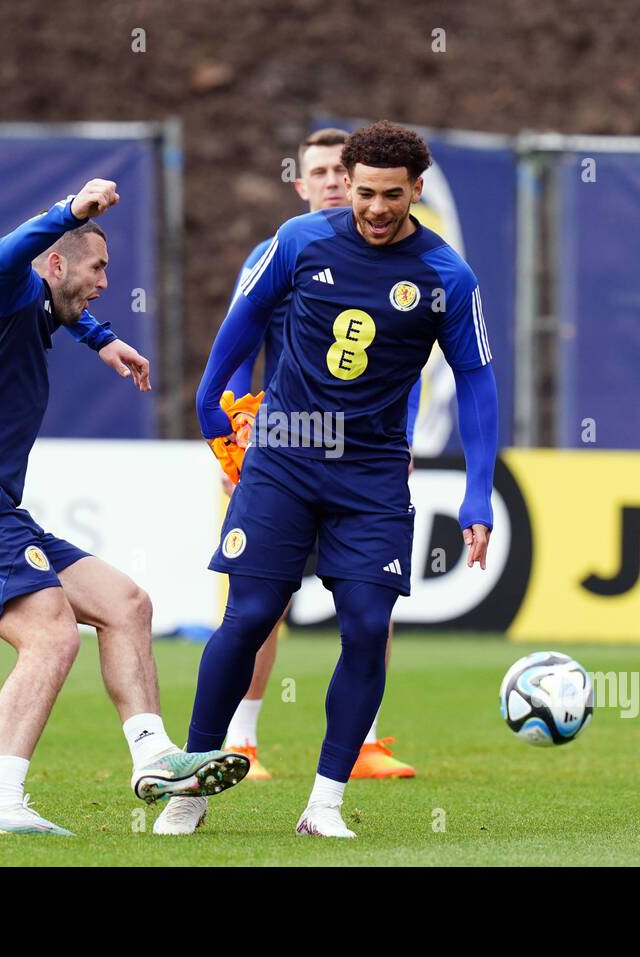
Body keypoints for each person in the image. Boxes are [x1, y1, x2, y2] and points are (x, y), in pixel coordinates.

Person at [162, 121, 499, 837]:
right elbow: (244, 322)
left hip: (373, 473)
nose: (377, 208)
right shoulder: (298, 241)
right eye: (366, 192)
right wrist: (207, 402)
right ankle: (190, 783)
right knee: (249, 615)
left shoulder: (446, 275)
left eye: (393, 196)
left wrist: (476, 490)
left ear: (415, 191)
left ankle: (324, 803)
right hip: (281, 459)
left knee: (368, 625)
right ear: (347, 182)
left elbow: (475, 380)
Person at [0, 182, 249, 835]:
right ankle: (0, 799)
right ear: (55, 264)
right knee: (52, 632)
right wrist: (70, 212)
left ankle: (154, 755)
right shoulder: (4, 288)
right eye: (97, 268)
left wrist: (100, 339)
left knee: (126, 604)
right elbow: (8, 256)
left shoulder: (40, 307)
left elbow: (66, 307)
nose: (105, 282)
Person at [220, 128, 418, 781]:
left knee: (371, 601)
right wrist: (227, 433)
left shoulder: (396, 260)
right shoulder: (287, 247)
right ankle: (241, 742)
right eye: (321, 172)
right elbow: (239, 344)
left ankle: (360, 745)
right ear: (301, 184)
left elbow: (404, 367)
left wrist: (405, 439)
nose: (334, 181)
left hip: (363, 458)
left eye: (342, 169)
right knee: (261, 601)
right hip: (280, 451)